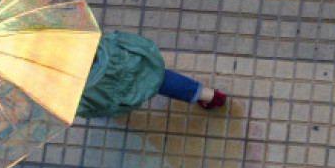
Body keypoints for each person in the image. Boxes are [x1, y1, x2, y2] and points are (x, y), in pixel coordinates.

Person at [76, 31, 226, 119]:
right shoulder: (62, 37)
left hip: (104, 89)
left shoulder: (59, 89)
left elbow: (85, 109)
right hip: (119, 59)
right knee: (159, 78)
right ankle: (211, 96)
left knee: (136, 92)